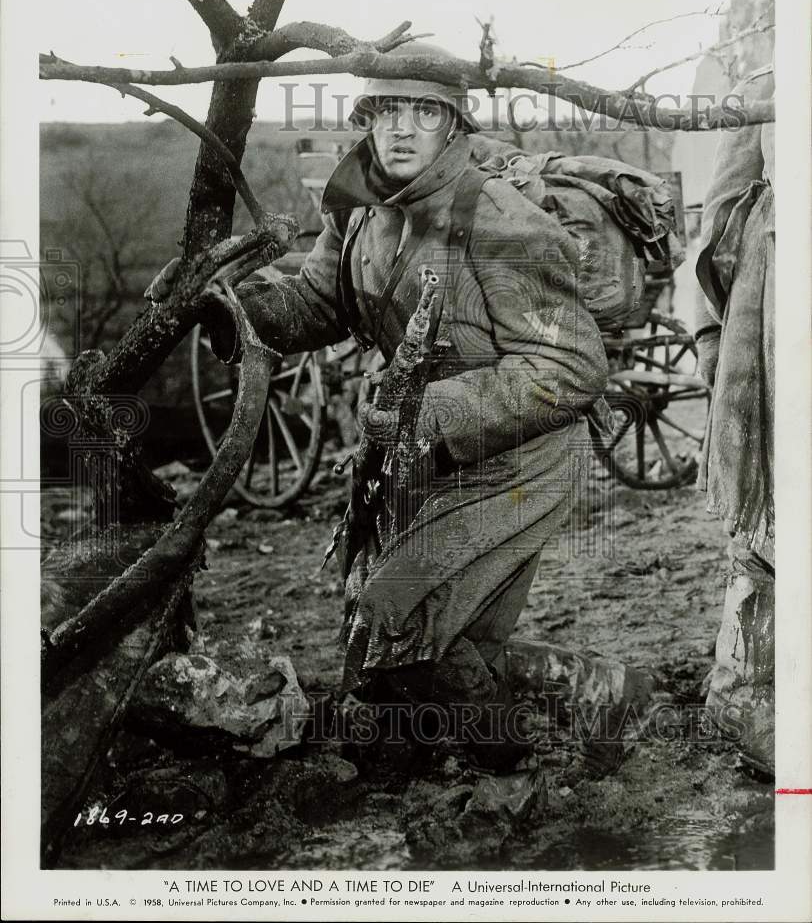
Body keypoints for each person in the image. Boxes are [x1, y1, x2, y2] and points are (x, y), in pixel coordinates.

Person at [150, 42, 609, 772]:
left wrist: (433, 411)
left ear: (453, 124)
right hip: (410, 452)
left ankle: (525, 759)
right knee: (398, 669)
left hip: (515, 461)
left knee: (400, 618)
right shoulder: (359, 209)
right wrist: (224, 305)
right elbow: (315, 303)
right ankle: (488, 738)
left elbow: (572, 366)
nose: (399, 129)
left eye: (422, 111)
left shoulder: (504, 223)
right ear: (366, 120)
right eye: (384, 110)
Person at [694, 62, 774, 776]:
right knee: (766, 523)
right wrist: (713, 341)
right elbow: (717, 217)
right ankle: (746, 697)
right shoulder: (765, 83)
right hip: (772, 310)